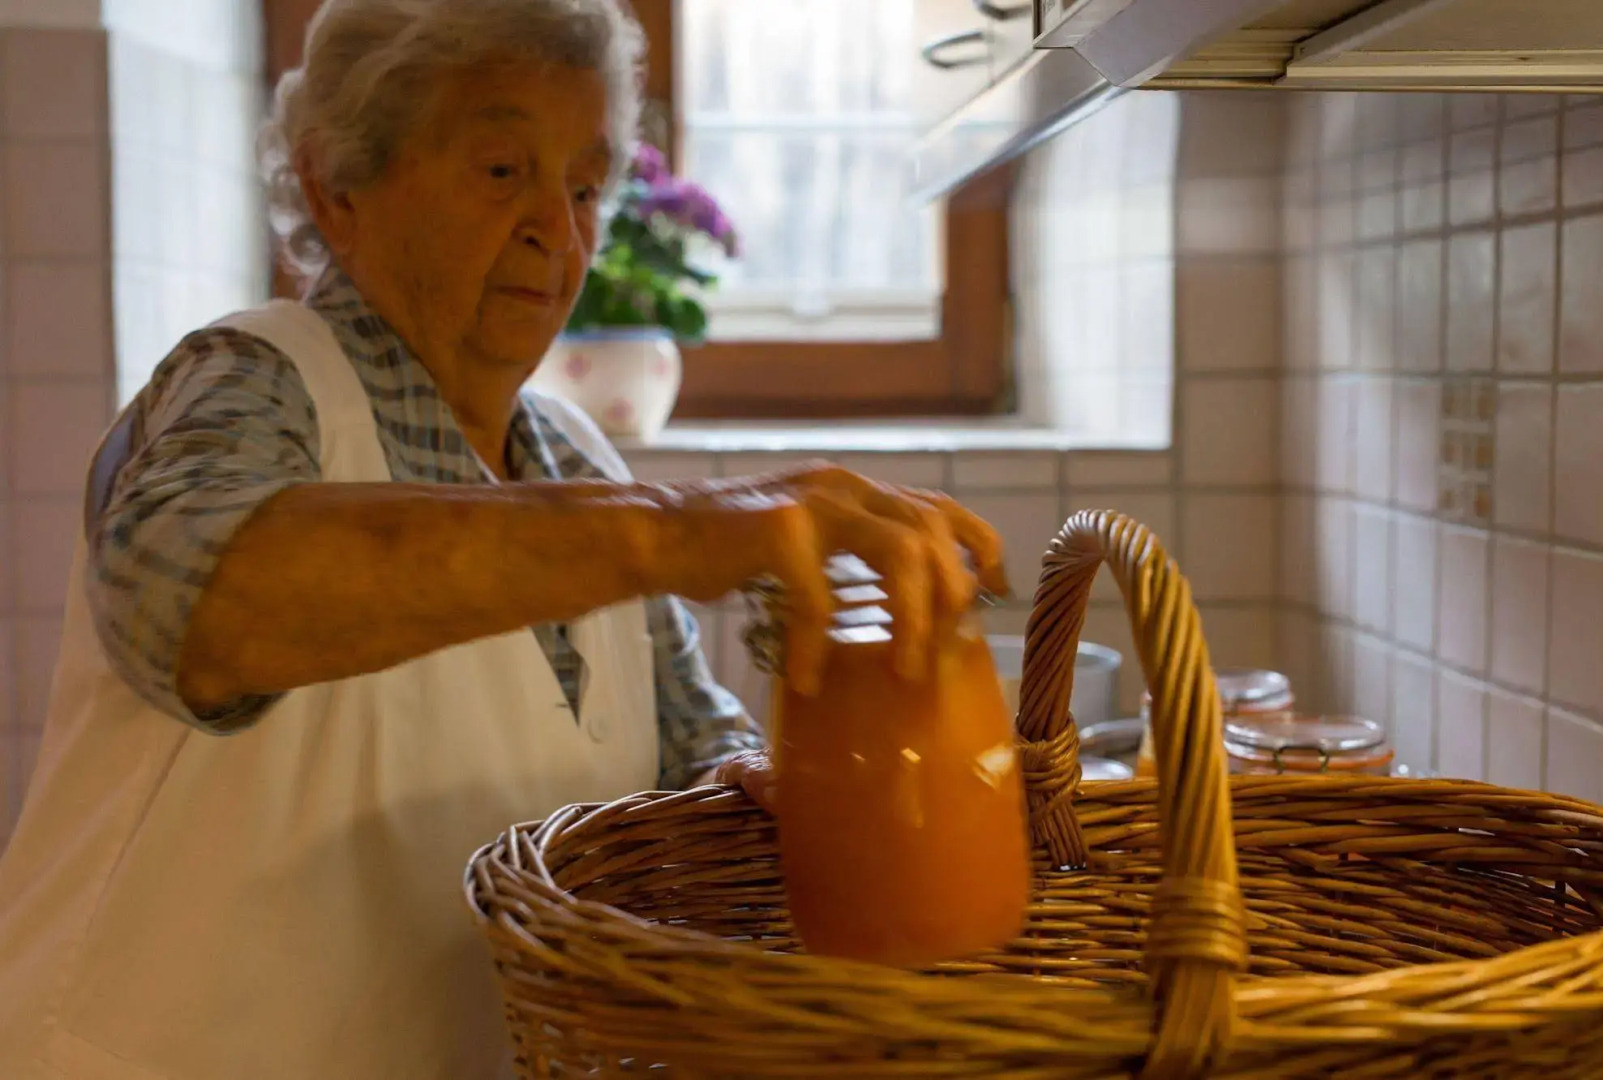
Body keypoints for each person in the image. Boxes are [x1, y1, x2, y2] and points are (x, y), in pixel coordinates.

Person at [0, 1, 1006, 1077]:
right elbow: (190, 606)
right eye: (498, 171)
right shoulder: (248, 379)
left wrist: (799, 782)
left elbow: (683, 762)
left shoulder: (576, 463)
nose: (557, 232)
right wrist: (688, 528)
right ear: (340, 188)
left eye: (583, 186)